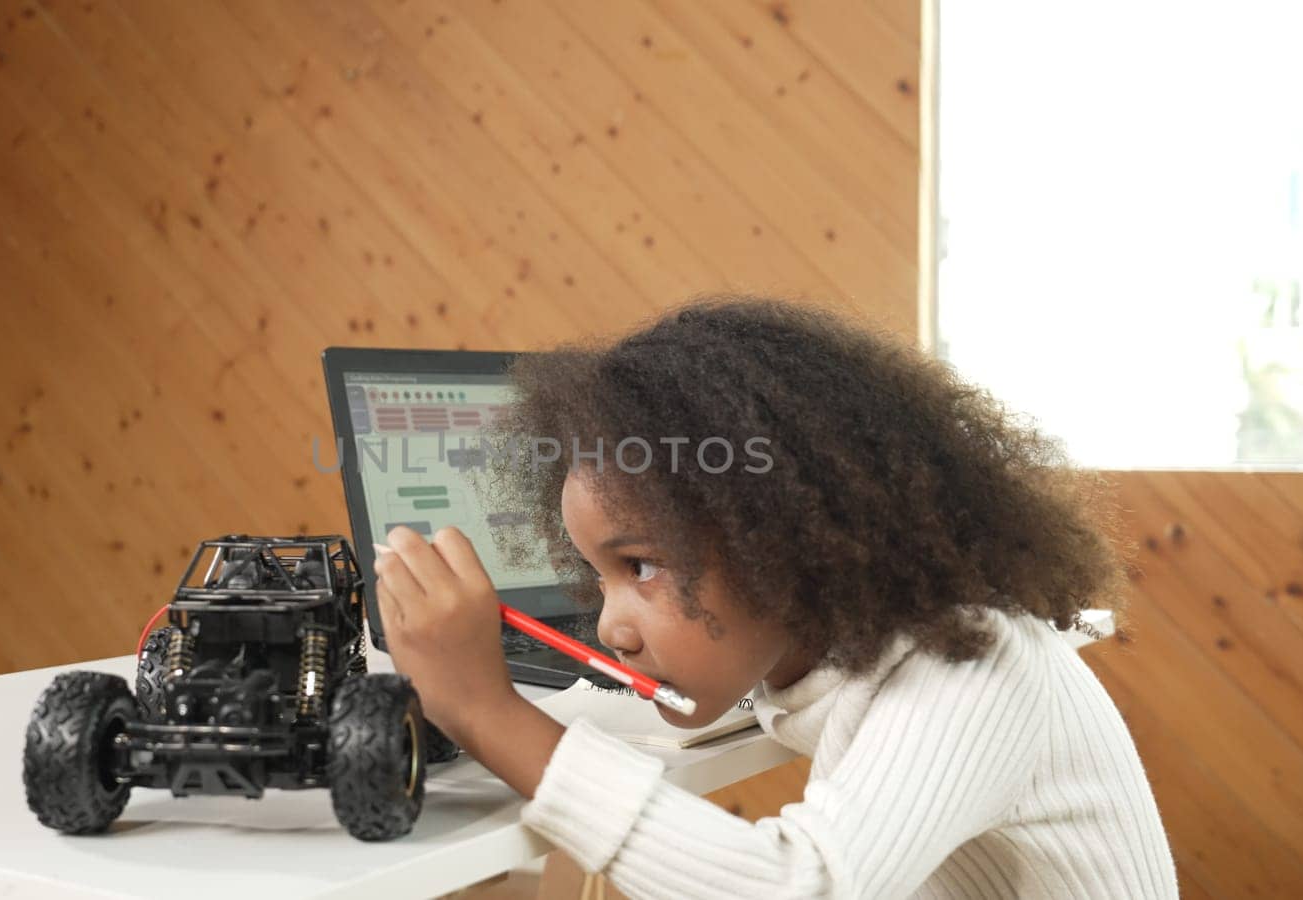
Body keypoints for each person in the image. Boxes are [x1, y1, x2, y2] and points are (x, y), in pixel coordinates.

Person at [371, 296, 1177, 899]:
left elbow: (801, 886)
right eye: (599, 577)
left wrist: (483, 708)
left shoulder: (976, 667)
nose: (610, 624)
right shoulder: (851, 650)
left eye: (642, 567)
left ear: (782, 542)